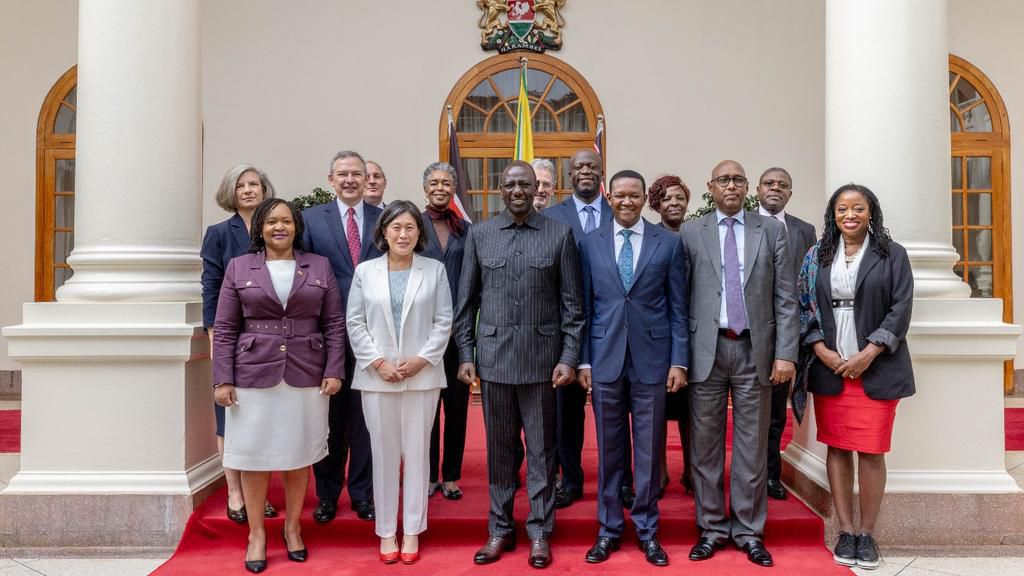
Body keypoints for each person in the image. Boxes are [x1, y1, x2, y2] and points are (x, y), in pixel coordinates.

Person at [456, 161, 584, 569]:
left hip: (544, 365)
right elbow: (465, 305)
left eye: (525, 184)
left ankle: (541, 532)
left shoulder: (559, 234)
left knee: (544, 453)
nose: (517, 191)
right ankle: (499, 529)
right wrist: (466, 355)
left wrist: (568, 356)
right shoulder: (480, 235)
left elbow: (573, 307)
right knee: (499, 452)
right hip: (494, 363)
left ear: (537, 189)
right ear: (499, 188)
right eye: (510, 184)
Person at [213, 198, 345, 573]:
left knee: (297, 455)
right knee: (254, 457)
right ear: (261, 228)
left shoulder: (318, 265)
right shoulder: (240, 267)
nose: (279, 227)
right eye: (272, 221)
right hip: (252, 374)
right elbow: (224, 328)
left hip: (306, 373)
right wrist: (222, 378)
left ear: (297, 227)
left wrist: (334, 369)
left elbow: (334, 323)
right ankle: (257, 534)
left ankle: (292, 528)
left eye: (287, 221)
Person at [680, 160, 798, 568]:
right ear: (710, 187)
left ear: (747, 188)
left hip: (755, 351)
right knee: (706, 445)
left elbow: (786, 297)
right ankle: (711, 528)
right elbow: (680, 300)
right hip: (705, 351)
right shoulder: (692, 232)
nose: (731, 185)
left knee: (751, 446)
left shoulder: (770, 231)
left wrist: (786, 353)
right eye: (723, 180)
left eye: (738, 180)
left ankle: (748, 530)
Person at [798, 184, 914, 569]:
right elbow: (803, 305)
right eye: (843, 208)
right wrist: (820, 349)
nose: (850, 215)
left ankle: (867, 534)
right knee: (837, 447)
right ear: (833, 214)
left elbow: (900, 308)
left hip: (876, 368)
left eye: (858, 208)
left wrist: (871, 351)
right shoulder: (818, 255)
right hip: (830, 367)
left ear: (870, 213)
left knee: (871, 450)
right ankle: (845, 531)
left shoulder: (891, 254)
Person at [578, 170, 689, 567]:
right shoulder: (590, 243)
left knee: (647, 452)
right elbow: (585, 308)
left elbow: (678, 308)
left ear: (645, 199)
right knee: (609, 452)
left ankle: (647, 529)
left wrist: (679, 360)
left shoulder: (669, 244)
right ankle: (608, 529)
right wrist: (584, 359)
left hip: (653, 361)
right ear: (609, 199)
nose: (626, 202)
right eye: (619, 196)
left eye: (634, 196)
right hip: (605, 358)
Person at [347, 200, 453, 565]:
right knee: (384, 455)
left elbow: (444, 321)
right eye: (396, 227)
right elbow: (355, 322)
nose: (403, 234)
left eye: (410, 228)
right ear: (384, 232)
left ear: (418, 233)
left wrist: (422, 359)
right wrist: (377, 362)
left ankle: (412, 530)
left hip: (422, 377)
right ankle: (386, 531)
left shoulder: (434, 270)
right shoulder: (365, 272)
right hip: (377, 379)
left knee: (417, 454)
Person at [542, 149, 632, 510]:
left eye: (591, 167)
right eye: (578, 167)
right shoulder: (551, 216)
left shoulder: (621, 213)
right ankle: (571, 478)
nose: (584, 172)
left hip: (613, 327)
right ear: (569, 174)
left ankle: (622, 481)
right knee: (567, 411)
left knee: (617, 409)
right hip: (566, 328)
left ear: (601, 173)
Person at [303, 150, 383, 523]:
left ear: (367, 179)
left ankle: (363, 494)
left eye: (357, 174)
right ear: (330, 179)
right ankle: (328, 493)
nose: (351, 179)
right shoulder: (309, 220)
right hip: (326, 333)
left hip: (375, 334)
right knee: (330, 417)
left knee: (367, 419)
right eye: (343, 174)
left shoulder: (385, 221)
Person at [200, 163, 278, 523]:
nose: (248, 190)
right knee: (229, 414)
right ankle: (234, 490)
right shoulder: (218, 233)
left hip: (269, 336)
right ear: (230, 192)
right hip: (231, 333)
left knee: (262, 417)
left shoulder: (276, 228)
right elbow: (211, 286)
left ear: (265, 190)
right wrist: (215, 333)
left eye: (255, 184)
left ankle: (256, 491)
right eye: (241, 185)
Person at [755, 167, 817, 500]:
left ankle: (770, 476)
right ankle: (745, 475)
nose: (775, 188)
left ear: (790, 193)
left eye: (783, 185)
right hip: (750, 332)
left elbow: (810, 280)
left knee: (777, 411)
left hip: (787, 334)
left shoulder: (804, 231)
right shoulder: (745, 223)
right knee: (752, 412)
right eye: (769, 183)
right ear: (758, 189)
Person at [420, 162, 473, 501]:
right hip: (420, 335)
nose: (440, 187)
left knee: (456, 408)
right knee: (425, 410)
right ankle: (426, 476)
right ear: (425, 188)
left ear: (454, 189)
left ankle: (451, 475)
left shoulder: (466, 230)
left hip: (458, 334)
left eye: (446, 183)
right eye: (434, 182)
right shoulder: (413, 225)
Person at [647, 174, 693, 496]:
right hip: (661, 339)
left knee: (693, 412)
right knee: (658, 410)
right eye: (667, 199)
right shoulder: (652, 239)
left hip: (697, 334)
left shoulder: (697, 236)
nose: (674, 203)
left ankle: (693, 471)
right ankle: (660, 472)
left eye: (679, 198)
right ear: (656, 205)